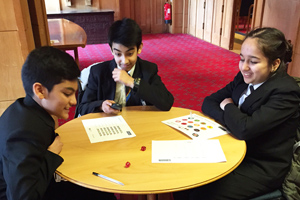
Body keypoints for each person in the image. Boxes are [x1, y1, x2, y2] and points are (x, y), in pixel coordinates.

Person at [173, 27, 300, 199]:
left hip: (260, 164)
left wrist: (228, 107)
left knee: (201, 195)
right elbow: (209, 102)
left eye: (253, 62)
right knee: (183, 180)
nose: (244, 67)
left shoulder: (286, 92)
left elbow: (244, 129)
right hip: (231, 147)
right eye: (242, 59)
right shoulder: (243, 78)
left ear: (275, 64)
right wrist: (235, 121)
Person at [0, 46, 116, 200]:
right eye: (67, 94)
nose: (74, 101)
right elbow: (22, 196)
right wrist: (50, 155)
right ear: (40, 90)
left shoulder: (25, 107)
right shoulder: (24, 133)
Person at [77, 18, 174, 115]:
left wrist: (132, 82)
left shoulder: (148, 69)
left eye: (130, 54)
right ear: (111, 50)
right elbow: (82, 107)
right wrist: (101, 105)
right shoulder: (99, 72)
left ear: (139, 48)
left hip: (137, 124)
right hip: (108, 125)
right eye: (118, 54)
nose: (124, 61)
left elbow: (166, 102)